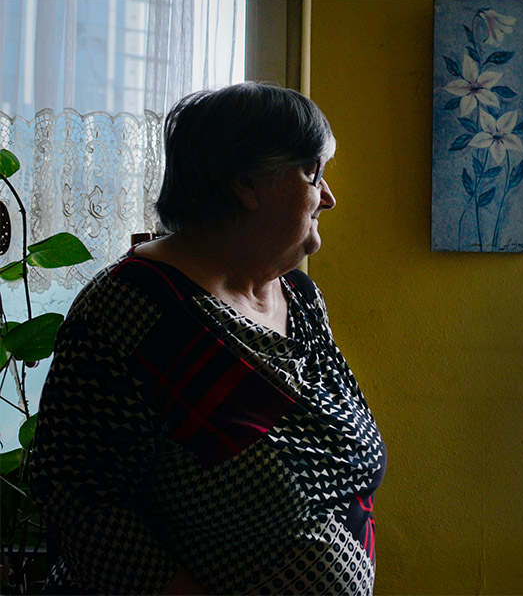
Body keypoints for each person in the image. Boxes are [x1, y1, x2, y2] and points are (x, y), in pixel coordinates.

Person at [30, 82, 386, 595]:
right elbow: (78, 500)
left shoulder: (301, 299)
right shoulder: (133, 308)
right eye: (313, 173)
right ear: (246, 182)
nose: (328, 197)